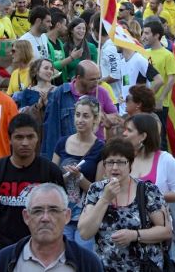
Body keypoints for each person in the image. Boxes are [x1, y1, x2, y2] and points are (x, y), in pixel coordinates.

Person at [0, 113, 65, 268]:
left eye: (30, 137)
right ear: (10, 139)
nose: (25, 143)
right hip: (4, 252)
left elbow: (61, 214)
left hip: (43, 253)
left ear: (38, 138)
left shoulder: (50, 171)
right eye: (19, 137)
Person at [78, 138, 172, 272]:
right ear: (104, 165)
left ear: (130, 164)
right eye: (110, 162)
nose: (115, 167)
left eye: (121, 162)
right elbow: (85, 233)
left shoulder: (147, 190)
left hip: (144, 267)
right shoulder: (96, 190)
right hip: (107, 267)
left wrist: (135, 235)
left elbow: (166, 231)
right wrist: (105, 199)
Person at [0, 183, 103, 272]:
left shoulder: (87, 262)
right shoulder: (5, 260)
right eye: (37, 211)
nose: (45, 218)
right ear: (26, 217)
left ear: (67, 216)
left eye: (53, 210)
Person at [52, 97, 105, 249]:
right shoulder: (62, 143)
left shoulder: (100, 148)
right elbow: (51, 180)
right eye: (77, 114)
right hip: (63, 214)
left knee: (83, 260)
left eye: (86, 116)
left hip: (86, 216)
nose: (80, 120)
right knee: (64, 258)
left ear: (95, 119)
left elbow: (98, 190)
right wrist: (64, 177)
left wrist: (79, 177)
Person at [42, 60, 118, 158]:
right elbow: (51, 129)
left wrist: (105, 117)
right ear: (78, 78)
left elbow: (116, 117)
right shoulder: (61, 93)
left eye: (98, 79)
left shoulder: (102, 92)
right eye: (92, 79)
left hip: (95, 153)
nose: (96, 83)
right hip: (68, 153)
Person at [117, 113, 175, 205]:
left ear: (143, 136)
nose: (124, 133)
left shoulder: (165, 159)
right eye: (125, 130)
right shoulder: (121, 158)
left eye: (129, 130)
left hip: (155, 218)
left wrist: (148, 195)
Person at [142, 21, 175, 149]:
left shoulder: (167, 55)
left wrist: (161, 98)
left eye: (147, 33)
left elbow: (171, 79)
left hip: (159, 104)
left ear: (156, 35)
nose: (143, 36)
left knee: (160, 137)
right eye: (143, 32)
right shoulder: (144, 53)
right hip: (145, 103)